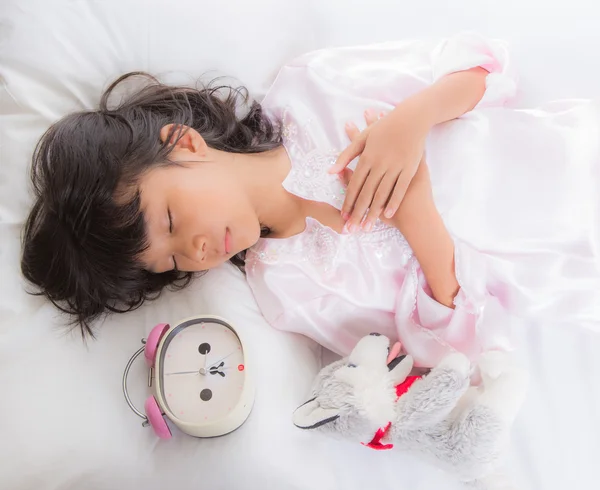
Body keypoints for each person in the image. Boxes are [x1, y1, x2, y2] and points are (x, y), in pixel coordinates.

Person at [21, 33, 600, 367]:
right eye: (171, 261)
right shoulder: (289, 289)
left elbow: (485, 70)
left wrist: (411, 121)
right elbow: (446, 351)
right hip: (568, 277)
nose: (195, 250)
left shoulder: (311, 90)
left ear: (183, 142)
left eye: (170, 220)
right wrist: (418, 219)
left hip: (568, 158)